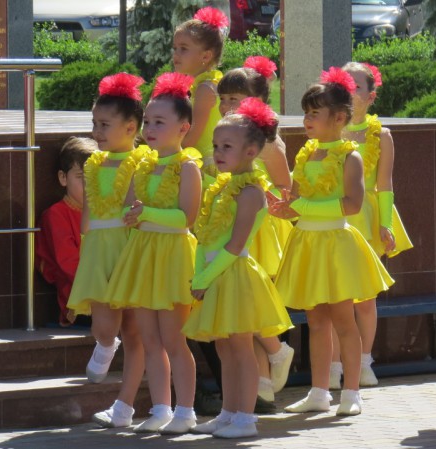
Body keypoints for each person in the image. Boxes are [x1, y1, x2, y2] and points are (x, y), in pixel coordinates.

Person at [270, 68, 394, 416]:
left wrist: (302, 207)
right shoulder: (306, 154)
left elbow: (352, 204)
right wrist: (283, 209)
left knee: (343, 319)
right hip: (308, 243)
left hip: (336, 244)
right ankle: (319, 391)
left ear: (339, 118)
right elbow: (297, 201)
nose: (307, 120)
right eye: (306, 113)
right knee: (316, 321)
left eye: (315, 113)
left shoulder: (350, 156)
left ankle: (351, 392)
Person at [182, 98, 293, 439]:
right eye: (216, 145)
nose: (217, 152)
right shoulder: (222, 186)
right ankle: (228, 413)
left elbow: (234, 244)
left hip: (235, 275)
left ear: (251, 151)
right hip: (215, 275)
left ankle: (246, 418)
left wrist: (204, 277)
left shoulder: (251, 192)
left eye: (226, 147)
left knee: (242, 348)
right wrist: (200, 272)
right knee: (223, 346)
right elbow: (205, 237)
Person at [100, 72, 203, 434]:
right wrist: (133, 214)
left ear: (183, 128)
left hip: (173, 255)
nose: (150, 128)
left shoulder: (188, 167)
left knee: (174, 339)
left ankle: (186, 411)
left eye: (160, 122)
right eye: (148, 121)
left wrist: (145, 213)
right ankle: (161, 408)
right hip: (144, 255)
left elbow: (186, 218)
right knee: (150, 339)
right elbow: (132, 206)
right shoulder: (142, 165)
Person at [67, 73, 147, 428]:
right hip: (99, 247)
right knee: (104, 322)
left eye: (104, 124)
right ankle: (105, 343)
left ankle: (124, 407)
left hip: (129, 247)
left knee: (134, 331)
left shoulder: (141, 162)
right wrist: (86, 243)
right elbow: (88, 210)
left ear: (130, 128)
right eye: (94, 123)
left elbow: (136, 206)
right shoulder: (92, 163)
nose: (96, 131)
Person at [327, 62, 414, 389]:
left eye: (356, 87)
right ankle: (333, 366)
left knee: (364, 297)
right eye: (343, 86)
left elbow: (385, 184)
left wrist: (386, 224)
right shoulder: (330, 129)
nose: (349, 92)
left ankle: (364, 362)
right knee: (334, 296)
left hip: (366, 218)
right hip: (334, 216)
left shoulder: (381, 135)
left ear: (371, 96)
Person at [217, 56, 295, 410]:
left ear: (260, 102)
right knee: (240, 310)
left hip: (260, 229)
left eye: (236, 99)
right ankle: (261, 384)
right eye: (224, 99)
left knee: (250, 304)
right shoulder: (224, 140)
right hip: (230, 224)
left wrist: (263, 194)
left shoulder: (269, 145)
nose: (227, 106)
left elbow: (285, 188)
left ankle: (275, 353)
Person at [36, 136, 96, 327]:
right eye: (81, 177)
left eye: (95, 177)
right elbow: (69, 265)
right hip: (81, 300)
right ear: (63, 178)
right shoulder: (56, 215)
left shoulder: (106, 211)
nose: (89, 185)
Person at [174, 6, 227, 181]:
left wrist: (166, 150)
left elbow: (192, 137)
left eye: (183, 48)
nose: (176, 54)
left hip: (204, 165)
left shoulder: (205, 89)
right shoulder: (198, 86)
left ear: (205, 56)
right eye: (175, 48)